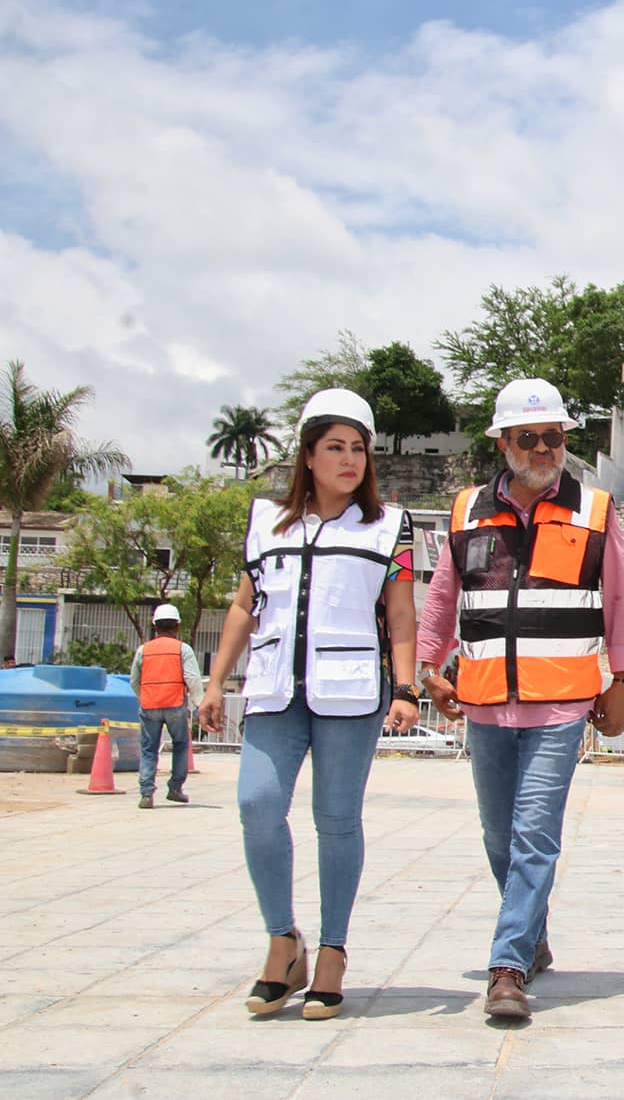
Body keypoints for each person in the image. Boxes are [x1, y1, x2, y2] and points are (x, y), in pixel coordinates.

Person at [418, 377, 624, 1020]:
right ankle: (531, 933)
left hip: (562, 704)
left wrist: (623, 680)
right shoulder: (467, 510)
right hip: (486, 700)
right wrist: (426, 668)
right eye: (530, 438)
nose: (544, 448)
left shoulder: (595, 510)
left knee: (534, 833)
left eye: (554, 437)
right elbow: (441, 600)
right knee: (499, 835)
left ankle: (507, 965)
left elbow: (623, 602)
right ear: (504, 442)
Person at [199, 388, 419, 1019]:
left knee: (337, 819)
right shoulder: (265, 520)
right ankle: (281, 940)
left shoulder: (388, 527)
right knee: (257, 805)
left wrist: (404, 687)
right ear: (308, 454)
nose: (349, 460)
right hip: (271, 688)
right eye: (335, 447)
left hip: (349, 691)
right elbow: (245, 604)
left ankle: (332, 952)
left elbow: (400, 612)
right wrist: (216, 681)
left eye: (358, 449)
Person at [131, 602, 202, 809]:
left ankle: (146, 793)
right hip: (175, 704)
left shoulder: (144, 650)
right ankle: (175, 788)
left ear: (155, 627)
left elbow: (134, 681)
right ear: (177, 627)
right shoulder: (183, 649)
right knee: (180, 745)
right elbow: (193, 679)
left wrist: (144, 696)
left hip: (149, 705)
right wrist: (199, 704)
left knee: (148, 749)